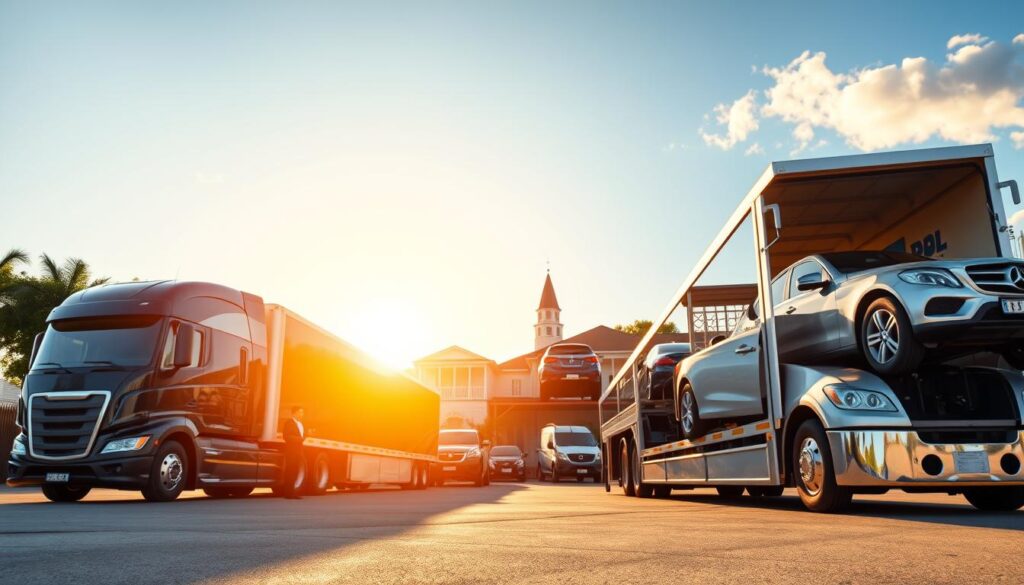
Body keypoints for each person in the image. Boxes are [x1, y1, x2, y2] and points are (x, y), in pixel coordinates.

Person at [282, 405, 307, 499]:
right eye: (301, 412)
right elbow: (287, 436)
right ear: (295, 413)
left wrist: (305, 436)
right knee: (290, 472)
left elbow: (301, 436)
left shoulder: (300, 424)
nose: (302, 414)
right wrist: (300, 439)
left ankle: (292, 492)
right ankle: (288, 493)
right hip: (291, 451)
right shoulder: (289, 423)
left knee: (296, 471)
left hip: (298, 451)